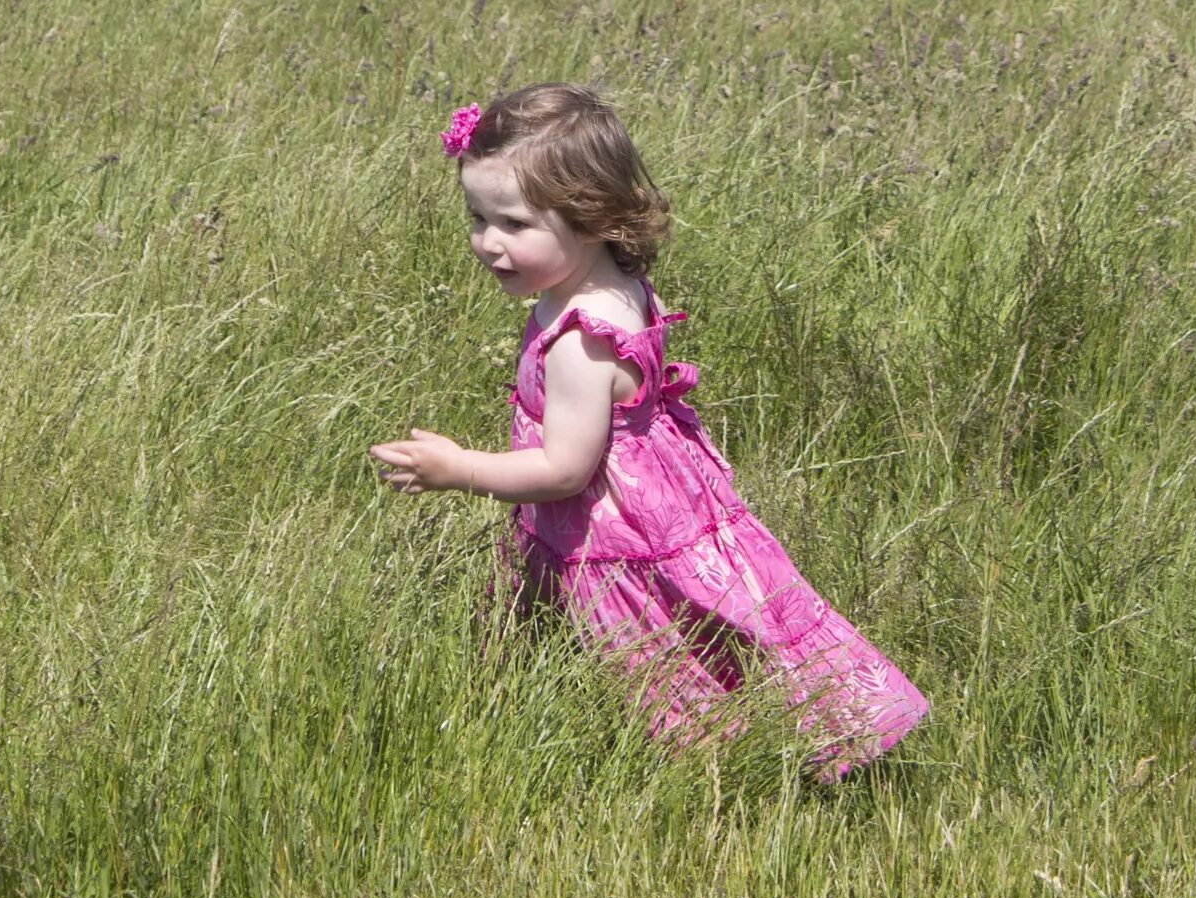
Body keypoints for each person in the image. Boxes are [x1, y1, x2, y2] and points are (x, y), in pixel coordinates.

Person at [370, 85, 927, 775]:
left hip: (616, 527)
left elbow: (564, 469)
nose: (487, 243)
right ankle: (765, 735)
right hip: (658, 499)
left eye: (513, 224)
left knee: (654, 651)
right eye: (477, 217)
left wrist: (460, 470)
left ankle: (710, 765)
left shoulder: (581, 340)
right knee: (709, 622)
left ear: (593, 214)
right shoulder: (612, 282)